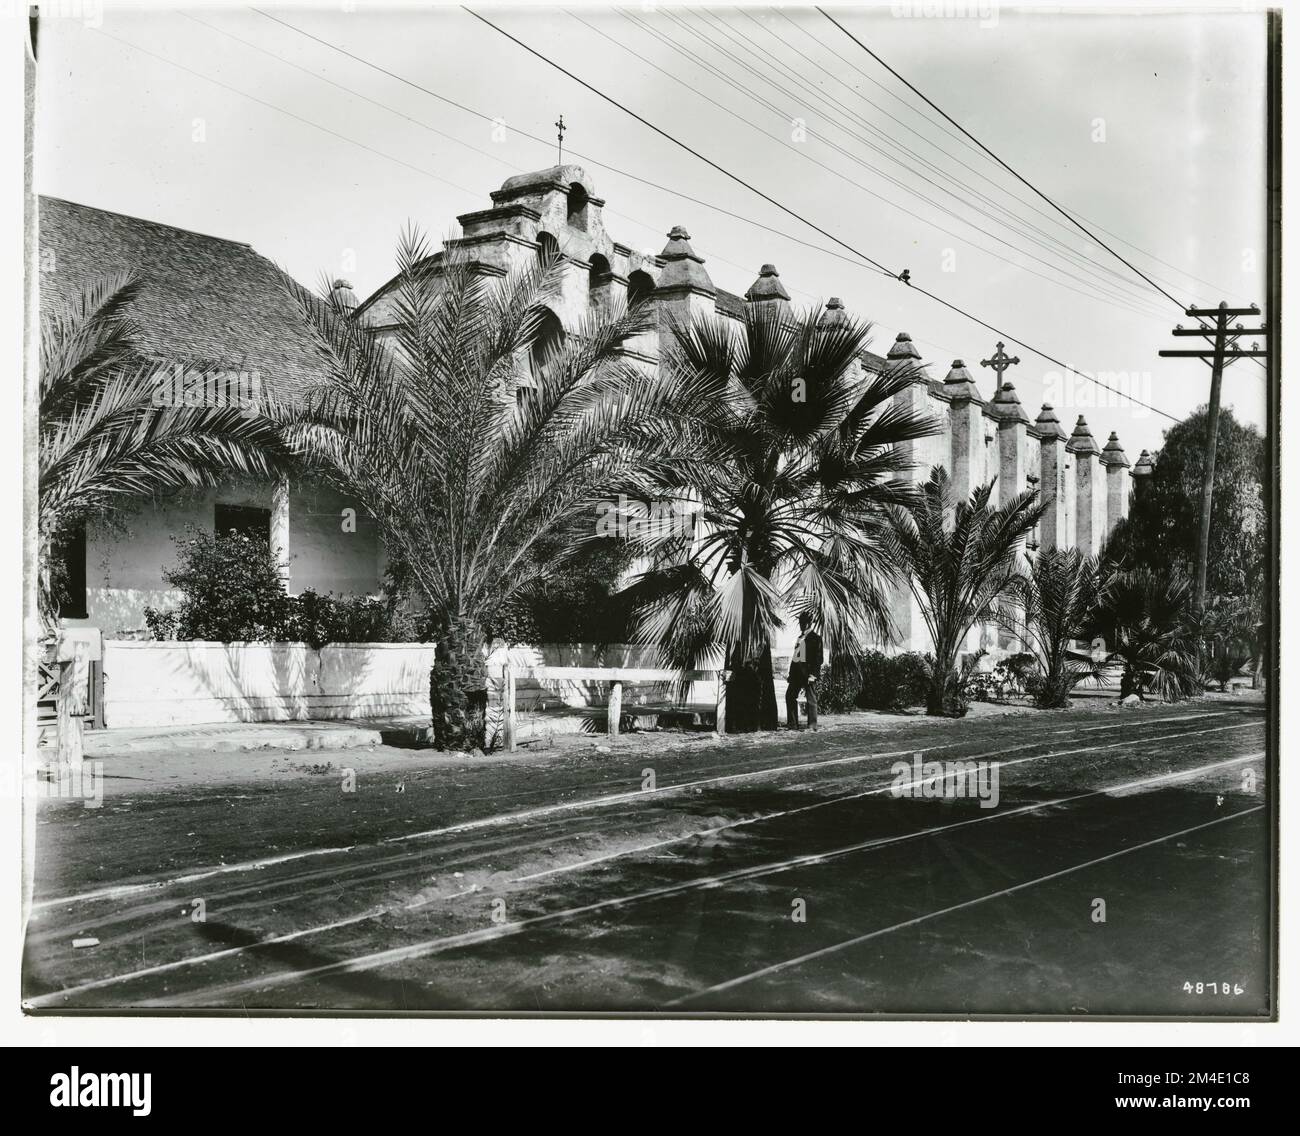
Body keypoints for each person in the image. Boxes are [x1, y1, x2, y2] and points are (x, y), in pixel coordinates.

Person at [785, 613, 823, 730]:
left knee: (811, 699)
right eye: (800, 622)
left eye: (803, 622)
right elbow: (795, 658)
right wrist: (791, 674)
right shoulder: (800, 638)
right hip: (796, 674)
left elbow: (818, 659)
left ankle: (812, 725)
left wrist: (813, 674)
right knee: (789, 696)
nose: (801, 625)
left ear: (809, 623)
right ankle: (792, 724)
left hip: (808, 674)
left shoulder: (816, 638)